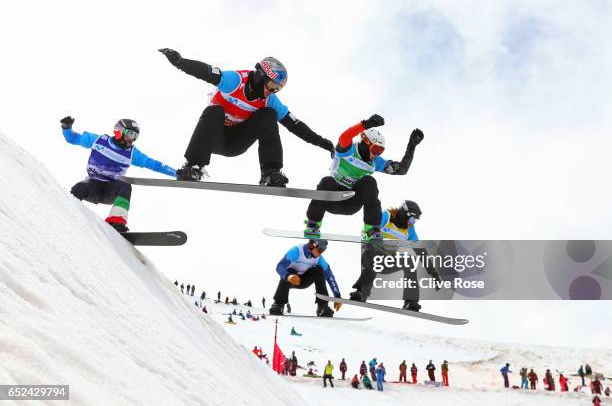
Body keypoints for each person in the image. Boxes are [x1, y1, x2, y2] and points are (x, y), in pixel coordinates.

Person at [158, 49, 334, 185]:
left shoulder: (270, 101)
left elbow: (295, 125)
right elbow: (206, 72)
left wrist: (322, 142)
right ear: (260, 76)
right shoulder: (234, 80)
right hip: (212, 138)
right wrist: (180, 62)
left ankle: (270, 173)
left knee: (268, 115)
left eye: (277, 89)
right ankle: (194, 167)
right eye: (272, 86)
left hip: (236, 142)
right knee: (214, 111)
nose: (271, 92)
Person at [304, 114, 424, 241]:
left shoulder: (375, 162)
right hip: (331, 199)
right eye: (376, 149)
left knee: (369, 181)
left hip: (351, 202)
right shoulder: (347, 150)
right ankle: (313, 224)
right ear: (366, 142)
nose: (376, 154)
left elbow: (401, 170)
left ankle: (372, 229)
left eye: (380, 151)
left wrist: (411, 147)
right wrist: (365, 124)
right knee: (327, 181)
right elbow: (345, 136)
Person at [60, 116, 176, 232]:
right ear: (119, 131)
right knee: (79, 187)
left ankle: (116, 222)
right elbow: (73, 138)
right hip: (93, 186)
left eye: (135, 136)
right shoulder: (99, 140)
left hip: (111, 190)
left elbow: (154, 164)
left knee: (125, 185)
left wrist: (177, 173)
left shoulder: (131, 153)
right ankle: (66, 210)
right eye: (130, 134)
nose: (132, 139)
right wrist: (67, 127)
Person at [349, 200, 424, 311]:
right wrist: (372, 237)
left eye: (415, 221)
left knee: (410, 261)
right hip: (370, 256)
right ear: (405, 214)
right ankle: (361, 292)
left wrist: (433, 271)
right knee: (375, 256)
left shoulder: (410, 229)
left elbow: (419, 248)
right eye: (413, 219)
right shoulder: (386, 216)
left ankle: (410, 301)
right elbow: (367, 230)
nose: (413, 223)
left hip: (388, 261)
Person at [269, 240, 341, 317]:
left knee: (318, 270)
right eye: (320, 250)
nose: (320, 253)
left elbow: (329, 276)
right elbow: (279, 266)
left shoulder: (319, 259)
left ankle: (322, 306)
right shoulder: (296, 251)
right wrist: (288, 276)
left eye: (323, 251)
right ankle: (278, 304)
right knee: (291, 270)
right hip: (291, 280)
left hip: (304, 280)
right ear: (313, 245)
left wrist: (337, 296)